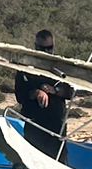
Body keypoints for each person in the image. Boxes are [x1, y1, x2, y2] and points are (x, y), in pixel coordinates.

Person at [12, 28, 74, 161]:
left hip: (56, 124)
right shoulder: (25, 67)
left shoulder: (61, 67)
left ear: (53, 47)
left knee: (58, 161)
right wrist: (35, 93)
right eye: (42, 49)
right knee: (33, 160)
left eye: (49, 48)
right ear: (35, 46)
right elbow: (20, 95)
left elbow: (70, 92)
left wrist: (55, 90)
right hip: (34, 123)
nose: (46, 52)